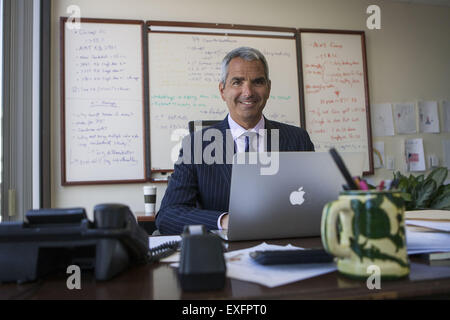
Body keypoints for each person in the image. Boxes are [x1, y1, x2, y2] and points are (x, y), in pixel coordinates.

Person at [156, 47, 314, 235]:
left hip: (284, 247)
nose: (248, 92)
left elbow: (315, 203)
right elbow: (168, 215)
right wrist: (223, 221)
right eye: (237, 82)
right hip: (224, 256)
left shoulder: (297, 140)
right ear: (223, 90)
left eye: (257, 82)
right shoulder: (197, 145)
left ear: (268, 88)